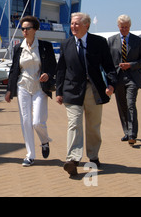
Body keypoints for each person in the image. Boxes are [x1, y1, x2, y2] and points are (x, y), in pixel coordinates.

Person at [56, 12, 117, 176]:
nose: (73, 27)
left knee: (93, 126)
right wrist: (59, 91)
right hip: (72, 90)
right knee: (74, 123)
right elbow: (61, 69)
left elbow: (109, 66)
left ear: (86, 25)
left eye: (77, 24)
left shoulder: (99, 42)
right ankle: (73, 160)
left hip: (94, 90)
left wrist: (111, 84)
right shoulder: (66, 44)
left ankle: (93, 156)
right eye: (72, 23)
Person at [5, 16, 57, 167]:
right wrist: (9, 90)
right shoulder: (18, 48)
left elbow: (54, 66)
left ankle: (44, 140)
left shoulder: (45, 46)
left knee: (37, 122)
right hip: (23, 86)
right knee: (26, 121)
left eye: (27, 28)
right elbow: (14, 70)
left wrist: (47, 74)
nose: (24, 31)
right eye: (23, 28)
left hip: (40, 87)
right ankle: (30, 155)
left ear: (35, 29)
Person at [108, 15, 141, 145]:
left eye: (126, 27)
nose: (124, 29)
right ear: (118, 27)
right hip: (118, 78)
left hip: (133, 78)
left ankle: (132, 134)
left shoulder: (138, 41)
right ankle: (126, 131)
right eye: (122, 27)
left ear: (130, 26)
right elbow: (107, 61)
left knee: (131, 104)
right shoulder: (111, 41)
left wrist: (130, 64)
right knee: (122, 106)